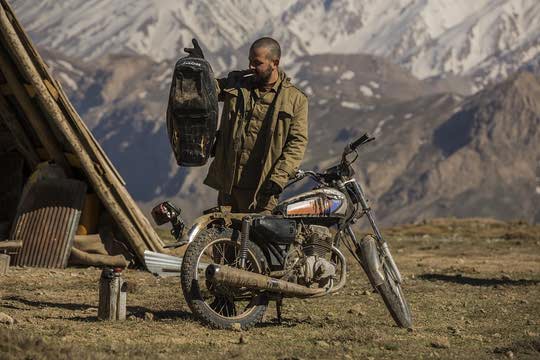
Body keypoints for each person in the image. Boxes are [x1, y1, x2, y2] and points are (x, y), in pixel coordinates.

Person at [184, 37, 308, 213]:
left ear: (275, 63)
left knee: (257, 239)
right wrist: (200, 66)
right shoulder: (237, 84)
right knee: (224, 237)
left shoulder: (296, 100)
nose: (251, 67)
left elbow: (297, 143)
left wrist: (279, 178)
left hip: (262, 190)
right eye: (250, 61)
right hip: (229, 186)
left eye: (257, 63)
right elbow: (209, 90)